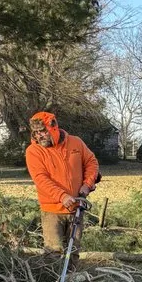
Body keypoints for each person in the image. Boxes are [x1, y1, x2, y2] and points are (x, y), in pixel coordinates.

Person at [25, 111, 99, 262]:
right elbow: (40, 179)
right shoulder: (33, 151)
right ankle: (52, 276)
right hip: (52, 210)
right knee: (53, 253)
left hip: (76, 207)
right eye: (36, 133)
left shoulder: (75, 143)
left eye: (43, 131)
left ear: (53, 127)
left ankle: (72, 276)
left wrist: (87, 184)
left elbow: (91, 162)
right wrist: (62, 196)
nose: (39, 136)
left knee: (73, 251)